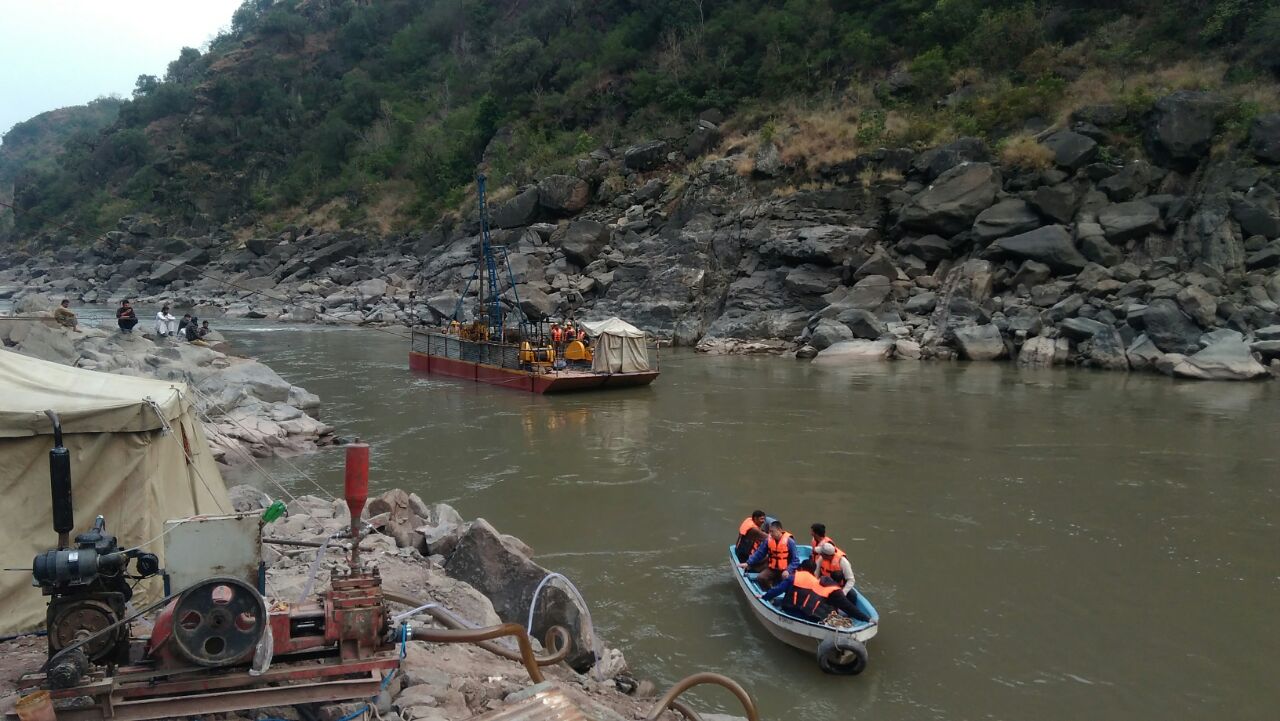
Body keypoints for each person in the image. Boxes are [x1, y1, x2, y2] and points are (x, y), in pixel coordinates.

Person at [761, 559, 871, 623]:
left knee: (776, 601)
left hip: (790, 609)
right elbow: (848, 607)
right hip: (810, 615)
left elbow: (777, 590)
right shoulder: (817, 583)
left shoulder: (794, 577)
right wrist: (867, 619)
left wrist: (764, 597)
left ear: (801, 568)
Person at [740, 520, 798, 590]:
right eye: (769, 531)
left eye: (772, 531)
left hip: (786, 569)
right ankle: (769, 591)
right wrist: (748, 563)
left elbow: (795, 560)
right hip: (773, 569)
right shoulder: (768, 540)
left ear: (779, 530)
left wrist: (788, 570)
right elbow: (759, 553)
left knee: (790, 582)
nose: (770, 534)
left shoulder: (790, 541)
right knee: (761, 578)